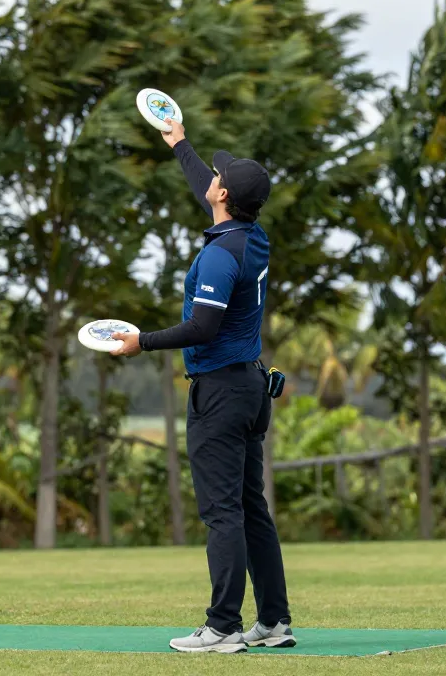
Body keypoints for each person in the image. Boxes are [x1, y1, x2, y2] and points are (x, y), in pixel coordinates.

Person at [109, 117, 294, 654]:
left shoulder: (219, 254)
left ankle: (222, 627)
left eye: (218, 175)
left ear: (224, 195)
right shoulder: (250, 236)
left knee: (223, 513)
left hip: (220, 393)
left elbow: (203, 328)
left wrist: (140, 340)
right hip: (250, 389)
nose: (210, 177)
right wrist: (177, 141)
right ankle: (274, 622)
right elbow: (207, 190)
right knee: (250, 508)